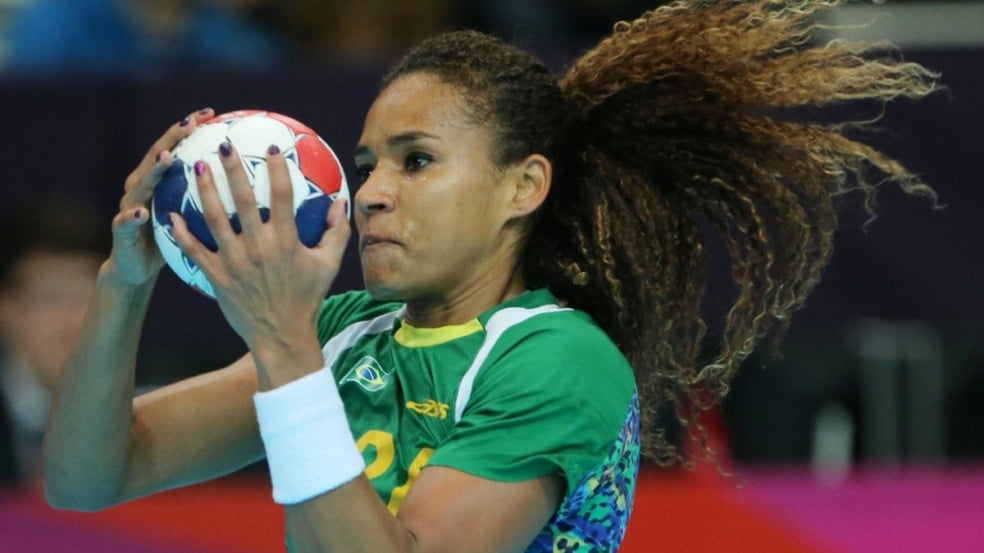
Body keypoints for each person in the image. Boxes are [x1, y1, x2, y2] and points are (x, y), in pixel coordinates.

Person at [42, 1, 939, 551]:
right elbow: (88, 476)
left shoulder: (556, 360)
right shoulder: (346, 334)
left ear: (523, 186)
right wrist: (126, 284)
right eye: (367, 163)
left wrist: (281, 343)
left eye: (417, 160)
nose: (372, 192)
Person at [0, 199, 108, 488]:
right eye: (54, 298)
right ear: (6, 307)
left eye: (90, 298)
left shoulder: (148, 407)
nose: (73, 320)